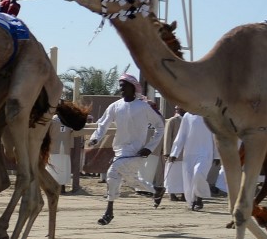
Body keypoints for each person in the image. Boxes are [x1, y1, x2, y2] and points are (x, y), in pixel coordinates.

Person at [86, 73, 164, 225]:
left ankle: (109, 212)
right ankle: (157, 190)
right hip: (120, 151)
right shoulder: (115, 106)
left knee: (112, 173)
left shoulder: (143, 106)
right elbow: (103, 124)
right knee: (132, 181)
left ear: (132, 87)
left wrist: (149, 147)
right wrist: (96, 138)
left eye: (123, 85)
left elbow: (160, 127)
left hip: (137, 152)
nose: (120, 88)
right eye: (120, 85)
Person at [168, 109, 217, 211]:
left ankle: (199, 198)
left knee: (198, 173)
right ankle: (192, 201)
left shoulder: (209, 115)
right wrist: (174, 153)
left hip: (206, 152)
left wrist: (217, 155)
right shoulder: (187, 116)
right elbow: (181, 135)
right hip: (189, 153)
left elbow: (215, 136)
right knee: (189, 178)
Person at [161, 106, 187, 202]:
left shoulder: (188, 120)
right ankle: (172, 194)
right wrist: (167, 152)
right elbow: (167, 137)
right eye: (178, 108)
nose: (180, 110)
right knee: (173, 175)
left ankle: (184, 194)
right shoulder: (172, 121)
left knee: (184, 175)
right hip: (174, 154)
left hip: (186, 153)